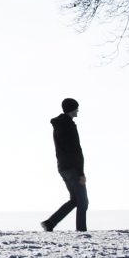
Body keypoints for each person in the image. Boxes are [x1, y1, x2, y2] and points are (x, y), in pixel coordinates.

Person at [41, 97, 88, 232]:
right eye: (76, 108)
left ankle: (50, 223)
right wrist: (81, 173)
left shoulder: (59, 125)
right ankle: (81, 231)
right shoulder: (68, 126)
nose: (78, 110)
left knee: (75, 199)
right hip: (73, 168)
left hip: (63, 167)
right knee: (83, 202)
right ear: (71, 109)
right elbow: (75, 151)